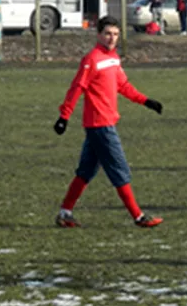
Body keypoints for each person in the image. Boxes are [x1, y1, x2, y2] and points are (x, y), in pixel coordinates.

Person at [53, 16, 164, 229]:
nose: (112, 38)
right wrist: (64, 116)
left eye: (115, 34)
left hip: (103, 124)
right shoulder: (92, 59)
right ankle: (138, 216)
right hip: (100, 125)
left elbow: (123, 85)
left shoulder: (113, 59)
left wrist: (146, 101)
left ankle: (65, 213)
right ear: (99, 35)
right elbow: (77, 87)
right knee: (120, 170)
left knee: (85, 171)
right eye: (107, 34)